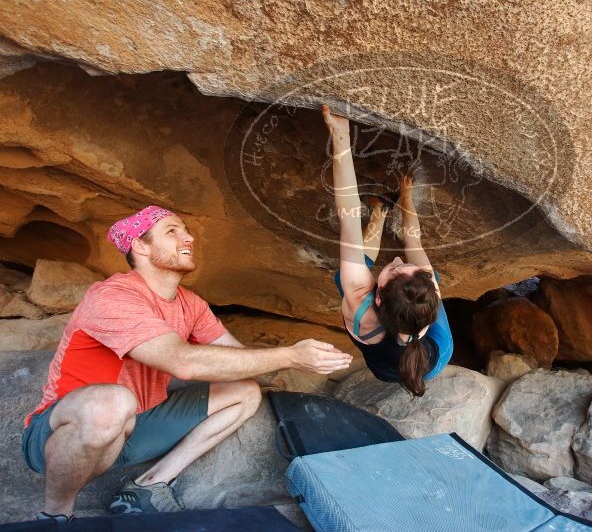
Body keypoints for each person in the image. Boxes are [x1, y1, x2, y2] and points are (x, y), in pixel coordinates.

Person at [21, 205, 352, 522]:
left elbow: (237, 355)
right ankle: (56, 512)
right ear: (141, 246)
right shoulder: (113, 296)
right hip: (66, 433)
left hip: (140, 423)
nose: (189, 238)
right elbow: (182, 363)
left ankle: (148, 485)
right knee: (113, 402)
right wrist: (289, 355)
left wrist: (300, 361)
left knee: (245, 391)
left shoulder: (190, 304)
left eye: (187, 231)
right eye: (172, 231)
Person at [323, 105, 453, 397]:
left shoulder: (360, 306)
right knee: (424, 289)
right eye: (404, 266)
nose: (396, 259)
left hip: (398, 364)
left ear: (376, 297)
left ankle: (379, 215)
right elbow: (412, 242)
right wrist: (407, 197)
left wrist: (341, 137)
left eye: (394, 269)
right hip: (423, 353)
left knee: (343, 278)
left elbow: (349, 215)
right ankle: (381, 213)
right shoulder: (425, 283)